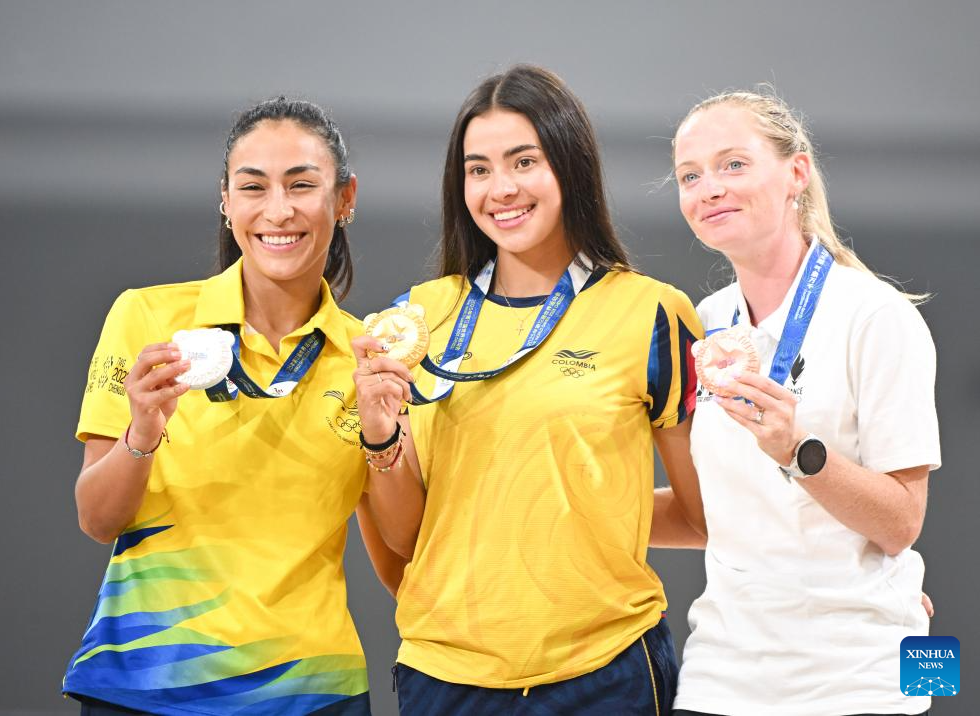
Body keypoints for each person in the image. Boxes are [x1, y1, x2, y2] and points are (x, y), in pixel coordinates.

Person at [351, 64, 706, 715]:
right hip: (445, 676)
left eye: (523, 162)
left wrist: (590, 506)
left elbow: (705, 515)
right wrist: (379, 436)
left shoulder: (654, 314)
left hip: (605, 673)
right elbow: (405, 540)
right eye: (478, 169)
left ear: (570, 166)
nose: (501, 188)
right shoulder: (414, 320)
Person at [62, 97, 402, 715]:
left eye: (302, 185)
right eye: (253, 186)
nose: (278, 210)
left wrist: (384, 438)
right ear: (225, 199)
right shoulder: (148, 319)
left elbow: (401, 549)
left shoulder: (368, 357)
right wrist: (142, 434)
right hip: (147, 686)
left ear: (345, 198)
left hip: (310, 692)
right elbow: (97, 519)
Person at [660, 89, 941, 716]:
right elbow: (714, 515)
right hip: (723, 672)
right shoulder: (707, 322)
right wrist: (555, 505)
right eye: (690, 175)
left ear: (797, 172)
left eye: (733, 164)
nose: (709, 189)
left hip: (857, 677)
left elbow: (901, 523)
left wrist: (796, 449)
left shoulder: (876, 315)